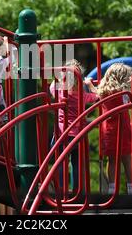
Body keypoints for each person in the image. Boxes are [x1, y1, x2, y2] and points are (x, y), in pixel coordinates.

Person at [49, 59, 98, 193]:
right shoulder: (82, 95)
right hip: (78, 135)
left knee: (60, 162)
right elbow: (97, 97)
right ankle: (77, 189)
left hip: (62, 134)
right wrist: (89, 84)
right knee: (77, 163)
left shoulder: (60, 92)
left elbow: (51, 87)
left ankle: (61, 189)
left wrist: (59, 77)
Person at [97, 63, 132, 195]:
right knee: (127, 159)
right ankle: (131, 188)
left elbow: (94, 91)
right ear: (121, 78)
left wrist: (89, 84)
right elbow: (129, 104)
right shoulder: (124, 92)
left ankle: (112, 189)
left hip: (108, 131)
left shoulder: (103, 91)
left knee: (111, 160)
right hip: (123, 129)